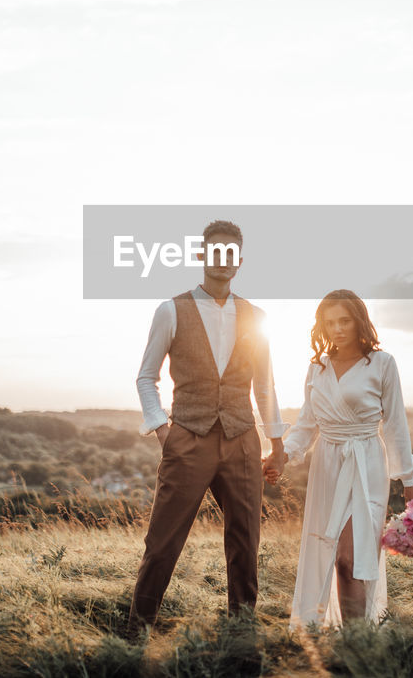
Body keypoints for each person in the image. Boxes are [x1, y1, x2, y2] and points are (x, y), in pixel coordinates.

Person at [129, 220, 287, 631]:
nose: (223, 259)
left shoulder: (256, 316)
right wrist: (162, 429)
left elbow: (265, 385)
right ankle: (137, 629)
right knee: (163, 542)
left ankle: (241, 630)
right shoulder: (171, 310)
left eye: (231, 252)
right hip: (188, 437)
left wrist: (277, 442)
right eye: (215, 251)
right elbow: (147, 376)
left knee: (245, 542)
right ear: (201, 256)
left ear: (239, 261)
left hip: (242, 440)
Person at [266, 289, 413, 629]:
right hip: (327, 466)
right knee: (331, 557)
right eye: (330, 322)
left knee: (352, 558)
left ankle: (357, 643)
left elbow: (396, 425)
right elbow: (307, 424)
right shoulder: (316, 369)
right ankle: (348, 637)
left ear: (359, 321)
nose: (337, 328)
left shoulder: (382, 364)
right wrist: (282, 455)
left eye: (345, 320)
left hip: (366, 463)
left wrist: (409, 483)